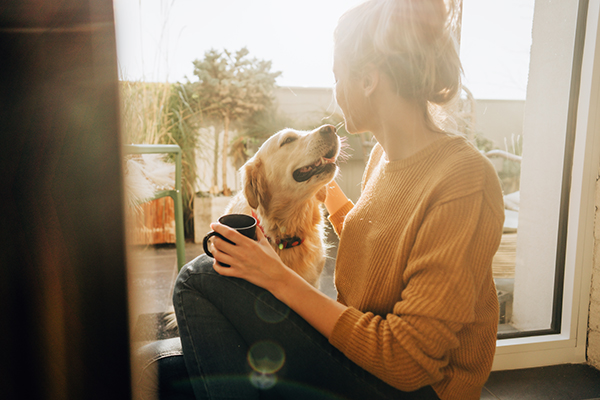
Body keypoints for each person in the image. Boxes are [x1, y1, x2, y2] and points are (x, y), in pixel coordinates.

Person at [172, 0, 504, 399]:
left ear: (367, 80)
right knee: (168, 366)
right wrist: (323, 194)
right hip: (359, 351)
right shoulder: (385, 157)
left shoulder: (464, 179)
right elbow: (386, 247)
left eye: (336, 75)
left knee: (195, 279)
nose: (335, 90)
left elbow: (408, 359)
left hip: (413, 387)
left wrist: (275, 275)